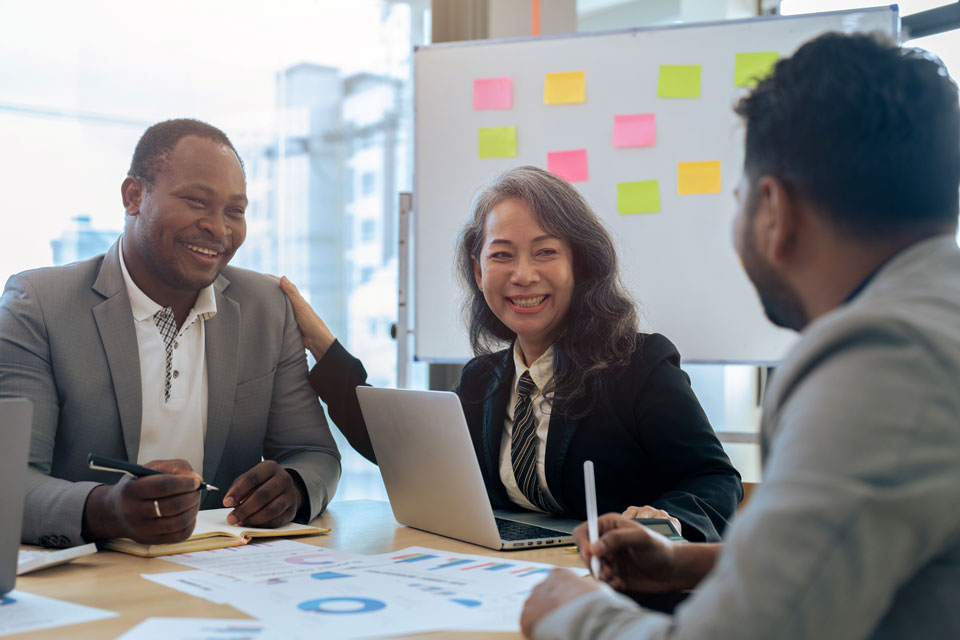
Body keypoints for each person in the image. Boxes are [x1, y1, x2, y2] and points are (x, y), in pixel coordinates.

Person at [520, 32, 960, 639]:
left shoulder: (886, 358)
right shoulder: (938, 319)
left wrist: (573, 614)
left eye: (739, 198)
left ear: (774, 210)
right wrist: (688, 561)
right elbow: (855, 551)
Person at [282, 165, 742, 542]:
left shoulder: (641, 366)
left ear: (579, 266)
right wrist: (322, 346)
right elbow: (405, 448)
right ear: (478, 272)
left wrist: (664, 520)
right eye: (502, 255)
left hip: (612, 587)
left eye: (545, 252)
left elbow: (714, 479)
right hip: (509, 576)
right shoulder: (483, 379)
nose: (522, 275)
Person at [0, 119, 341, 548]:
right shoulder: (40, 305)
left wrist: (291, 487)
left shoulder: (266, 307)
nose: (219, 229)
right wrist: (106, 509)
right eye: (198, 201)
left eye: (235, 211)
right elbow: (10, 483)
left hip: (228, 574)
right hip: (89, 578)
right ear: (134, 196)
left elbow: (315, 455)